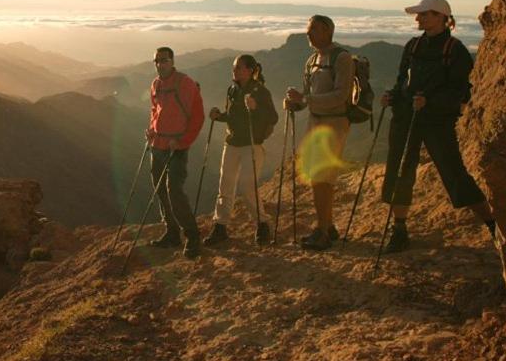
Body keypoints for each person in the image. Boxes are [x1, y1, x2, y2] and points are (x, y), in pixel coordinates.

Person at [379, 0, 495, 253]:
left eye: (424, 14)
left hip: (436, 121)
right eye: (419, 15)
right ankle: (399, 229)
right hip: (408, 116)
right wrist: (392, 95)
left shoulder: (455, 50)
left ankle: (493, 224)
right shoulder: (412, 46)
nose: (418, 18)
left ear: (442, 17)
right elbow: (402, 82)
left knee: (453, 171)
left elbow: (462, 92)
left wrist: (429, 100)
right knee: (400, 170)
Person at [284, 15, 354, 251]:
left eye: (313, 29)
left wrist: (305, 99)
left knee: (321, 177)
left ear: (327, 31)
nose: (308, 33)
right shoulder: (312, 59)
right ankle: (328, 226)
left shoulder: (341, 58)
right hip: (316, 123)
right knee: (319, 177)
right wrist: (295, 102)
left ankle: (322, 231)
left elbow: (341, 95)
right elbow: (308, 96)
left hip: (334, 124)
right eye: (308, 29)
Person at [204, 55, 279, 246]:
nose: (234, 71)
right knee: (225, 185)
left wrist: (255, 108)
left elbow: (273, 117)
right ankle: (220, 226)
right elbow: (233, 115)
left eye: (238, 68)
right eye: (234, 68)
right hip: (232, 143)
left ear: (249, 70)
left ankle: (262, 223)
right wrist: (219, 116)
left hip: (252, 144)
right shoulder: (232, 89)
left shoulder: (260, 91)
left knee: (247, 187)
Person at [145, 47, 205, 258]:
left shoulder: (184, 83)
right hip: (158, 145)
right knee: (160, 190)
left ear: (172, 61)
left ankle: (192, 236)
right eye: (157, 61)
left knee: (174, 192)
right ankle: (172, 232)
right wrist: (151, 130)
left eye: (164, 60)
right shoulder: (156, 84)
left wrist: (182, 142)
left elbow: (198, 116)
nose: (160, 64)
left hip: (176, 148)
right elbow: (155, 110)